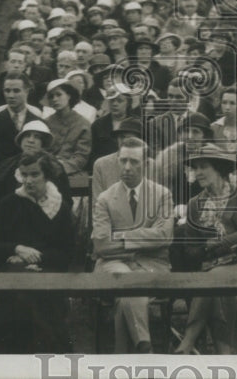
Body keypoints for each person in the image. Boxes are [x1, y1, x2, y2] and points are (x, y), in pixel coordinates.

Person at [172, 144, 237, 355]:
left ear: (219, 169)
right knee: (218, 287)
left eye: (203, 166)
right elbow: (190, 250)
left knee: (213, 280)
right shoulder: (195, 204)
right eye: (194, 167)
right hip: (214, 270)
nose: (197, 172)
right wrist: (212, 248)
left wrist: (213, 246)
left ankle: (189, 340)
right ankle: (227, 354)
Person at [0, 151, 76, 354]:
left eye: (34, 174)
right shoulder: (9, 203)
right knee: (18, 298)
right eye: (24, 175)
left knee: (39, 298)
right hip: (13, 272)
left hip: (49, 272)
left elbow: (67, 252)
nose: (28, 180)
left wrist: (38, 258)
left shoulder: (60, 208)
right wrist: (17, 248)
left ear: (47, 176)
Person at [92, 137, 174, 353]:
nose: (127, 167)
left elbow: (165, 236)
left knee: (125, 296)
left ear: (146, 164)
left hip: (152, 265)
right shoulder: (105, 198)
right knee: (129, 282)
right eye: (123, 160)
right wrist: (145, 239)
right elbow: (101, 244)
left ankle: (125, 357)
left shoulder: (162, 195)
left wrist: (121, 237)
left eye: (134, 162)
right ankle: (145, 347)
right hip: (112, 265)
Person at [0, 73, 43, 179]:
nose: (11, 96)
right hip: (1, 178)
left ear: (27, 91)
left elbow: (43, 153)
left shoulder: (37, 121)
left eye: (16, 91)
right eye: (7, 91)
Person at [42, 78, 93, 175]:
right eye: (51, 96)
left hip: (72, 174)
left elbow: (81, 156)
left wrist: (62, 167)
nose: (55, 99)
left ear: (69, 95)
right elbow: (41, 150)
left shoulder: (83, 124)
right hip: (46, 171)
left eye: (59, 94)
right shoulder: (45, 123)